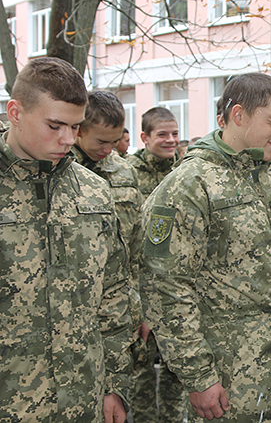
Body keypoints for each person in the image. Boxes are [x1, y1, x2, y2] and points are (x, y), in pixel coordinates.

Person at [141, 72, 271, 422]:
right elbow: (167, 290)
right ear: (238, 115)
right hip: (233, 386)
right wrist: (198, 376)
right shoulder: (189, 186)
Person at [0, 57, 132, 423]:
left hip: (83, 400)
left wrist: (114, 385)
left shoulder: (93, 191)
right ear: (15, 112)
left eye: (75, 127)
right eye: (55, 125)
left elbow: (113, 293)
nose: (68, 140)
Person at [71, 91, 146, 402]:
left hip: (119, 310)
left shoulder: (123, 171)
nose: (108, 150)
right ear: (78, 129)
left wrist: (141, 307)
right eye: (101, 142)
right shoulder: (59, 168)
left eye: (115, 142)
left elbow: (136, 247)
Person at [126, 106, 185, 422]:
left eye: (175, 133)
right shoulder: (127, 175)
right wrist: (139, 305)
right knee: (141, 372)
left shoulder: (184, 172)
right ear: (144, 137)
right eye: (163, 134)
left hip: (176, 288)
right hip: (140, 291)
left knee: (178, 369)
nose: (171, 140)